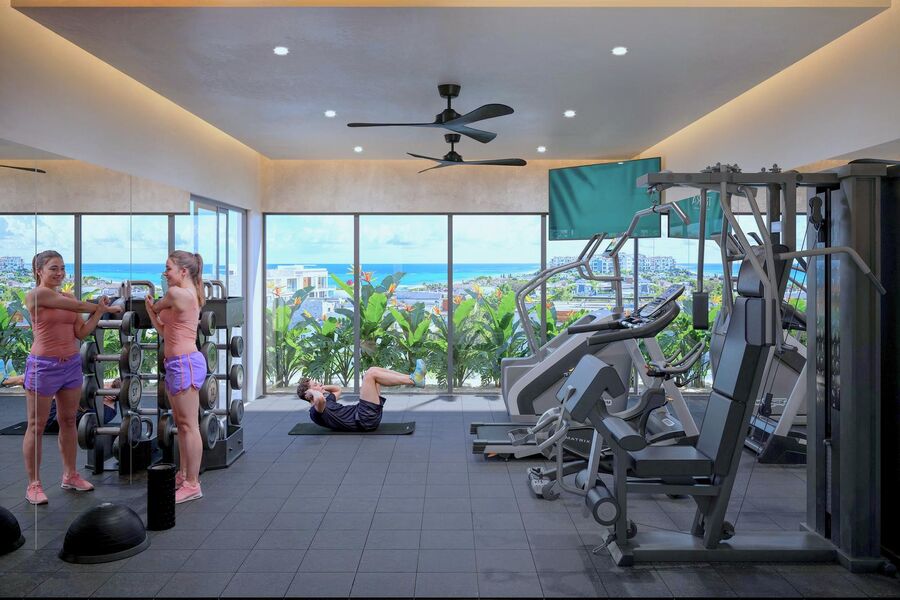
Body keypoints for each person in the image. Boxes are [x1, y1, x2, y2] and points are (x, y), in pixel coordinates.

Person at [23, 250, 122, 505]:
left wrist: (98, 314)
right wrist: (105, 307)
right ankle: (34, 484)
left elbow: (82, 332)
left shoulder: (68, 297)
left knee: (68, 421)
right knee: (36, 425)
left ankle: (70, 475)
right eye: (53, 268)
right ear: (39, 271)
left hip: (71, 366)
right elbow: (78, 307)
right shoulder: (36, 295)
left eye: (62, 268)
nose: (59, 273)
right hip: (43, 366)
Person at [145, 250, 206, 504]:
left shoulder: (178, 294)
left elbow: (157, 305)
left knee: (189, 425)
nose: (165, 273)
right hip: (174, 363)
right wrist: (151, 311)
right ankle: (183, 475)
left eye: (168, 268)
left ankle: (193, 483)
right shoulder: (185, 294)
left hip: (185, 364)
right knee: (181, 425)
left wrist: (152, 306)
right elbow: (163, 329)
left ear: (183, 271)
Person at [296, 360, 426, 432]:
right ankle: (413, 380)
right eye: (315, 384)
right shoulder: (316, 411)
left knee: (373, 370)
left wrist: (321, 387)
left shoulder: (326, 401)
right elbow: (319, 399)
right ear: (309, 395)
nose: (319, 384)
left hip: (364, 414)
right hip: (364, 420)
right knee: (370, 374)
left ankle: (413, 377)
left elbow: (337, 390)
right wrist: (313, 392)